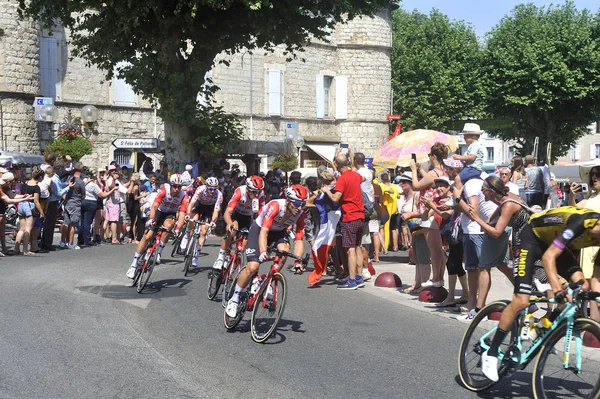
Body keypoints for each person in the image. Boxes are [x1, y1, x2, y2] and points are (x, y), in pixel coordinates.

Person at [481, 206, 600, 382]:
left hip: (554, 242)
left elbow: (596, 278)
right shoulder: (581, 222)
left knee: (579, 288)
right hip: (532, 238)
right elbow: (548, 258)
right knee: (521, 301)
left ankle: (543, 327)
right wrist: (557, 289)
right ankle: (491, 353)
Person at [226, 184, 309, 317]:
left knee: (284, 252)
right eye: (297, 203)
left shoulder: (301, 215)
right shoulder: (275, 205)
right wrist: (263, 251)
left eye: (303, 204)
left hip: (278, 233)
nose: (300, 207)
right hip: (259, 230)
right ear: (288, 200)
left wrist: (298, 261)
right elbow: (264, 231)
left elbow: (299, 239)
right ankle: (234, 298)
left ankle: (269, 279)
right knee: (252, 267)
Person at [126, 174, 186, 278]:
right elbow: (154, 207)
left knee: (169, 226)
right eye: (174, 186)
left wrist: (177, 229)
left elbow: (182, 215)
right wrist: (152, 220)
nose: (177, 189)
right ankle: (134, 264)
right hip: (158, 212)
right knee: (148, 236)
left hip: (170, 213)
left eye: (179, 187)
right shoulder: (164, 191)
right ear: (171, 185)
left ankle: (159, 252)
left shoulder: (183, 195)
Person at [321, 153, 365, 290]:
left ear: (337, 165)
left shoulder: (342, 179)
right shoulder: (355, 175)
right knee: (357, 247)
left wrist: (327, 191)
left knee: (350, 249)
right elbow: (362, 178)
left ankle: (351, 281)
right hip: (360, 215)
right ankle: (359, 277)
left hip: (349, 216)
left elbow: (335, 198)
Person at [410, 142, 450, 288]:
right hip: (436, 210)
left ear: (433, 156)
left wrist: (414, 170)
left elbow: (416, 185)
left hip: (430, 212)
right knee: (439, 249)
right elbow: (430, 181)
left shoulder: (434, 173)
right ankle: (438, 278)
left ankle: (436, 279)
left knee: (434, 250)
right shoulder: (442, 172)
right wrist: (421, 170)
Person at [212, 176, 266, 271]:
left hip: (248, 218)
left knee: (242, 247)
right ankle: (221, 257)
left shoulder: (260, 195)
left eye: (258, 191)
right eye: (254, 192)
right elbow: (227, 212)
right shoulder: (240, 192)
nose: (256, 194)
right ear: (247, 189)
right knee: (232, 231)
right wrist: (229, 223)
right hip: (235, 215)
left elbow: (261, 216)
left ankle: (232, 271)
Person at [398, 171, 429, 293]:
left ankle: (424, 285)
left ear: (411, 183)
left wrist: (410, 214)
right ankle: (417, 284)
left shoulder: (417, 196)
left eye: (404, 182)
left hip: (421, 230)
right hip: (414, 231)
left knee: (424, 259)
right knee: (417, 259)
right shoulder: (405, 196)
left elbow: (425, 212)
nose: (401, 184)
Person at [184, 176, 223, 267]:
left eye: (214, 189)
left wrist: (213, 221)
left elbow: (216, 210)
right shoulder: (200, 189)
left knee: (203, 232)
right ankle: (186, 234)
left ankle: (196, 256)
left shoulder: (219, 194)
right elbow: (192, 203)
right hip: (198, 205)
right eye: (210, 189)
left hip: (209, 209)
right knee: (192, 220)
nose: (212, 191)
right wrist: (187, 214)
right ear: (206, 187)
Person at [14, 167, 45, 254]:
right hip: (30, 206)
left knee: (21, 229)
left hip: (21, 205)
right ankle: (25, 250)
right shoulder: (36, 187)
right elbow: (36, 201)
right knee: (28, 229)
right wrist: (41, 212)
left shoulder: (25, 184)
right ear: (40, 177)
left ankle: (16, 248)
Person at [82, 175, 117, 246]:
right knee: (88, 222)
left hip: (84, 201)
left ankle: (82, 239)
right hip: (91, 202)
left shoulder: (84, 184)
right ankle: (87, 239)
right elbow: (102, 195)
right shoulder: (93, 185)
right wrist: (113, 190)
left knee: (83, 221)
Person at [59, 162, 86, 250]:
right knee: (73, 224)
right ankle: (70, 243)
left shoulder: (70, 179)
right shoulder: (81, 182)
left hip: (67, 202)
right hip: (75, 204)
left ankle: (63, 242)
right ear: (81, 170)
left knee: (66, 223)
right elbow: (83, 194)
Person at [452, 123, 485, 188]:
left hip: (472, 169)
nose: (464, 138)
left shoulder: (475, 145)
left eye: (465, 136)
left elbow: (472, 157)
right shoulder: (473, 145)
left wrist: (459, 157)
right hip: (472, 169)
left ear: (472, 136)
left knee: (457, 179)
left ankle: (458, 194)